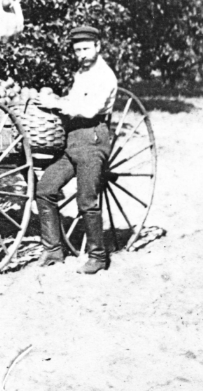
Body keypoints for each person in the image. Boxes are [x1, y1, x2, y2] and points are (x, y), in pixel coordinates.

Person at [34, 25, 118, 274]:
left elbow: (90, 109)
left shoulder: (105, 76)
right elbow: (72, 100)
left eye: (86, 48)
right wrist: (57, 102)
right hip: (73, 142)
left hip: (93, 141)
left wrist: (58, 104)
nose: (82, 54)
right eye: (77, 50)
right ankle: (52, 249)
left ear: (98, 46)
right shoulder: (81, 73)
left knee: (86, 201)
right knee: (45, 188)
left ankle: (98, 256)